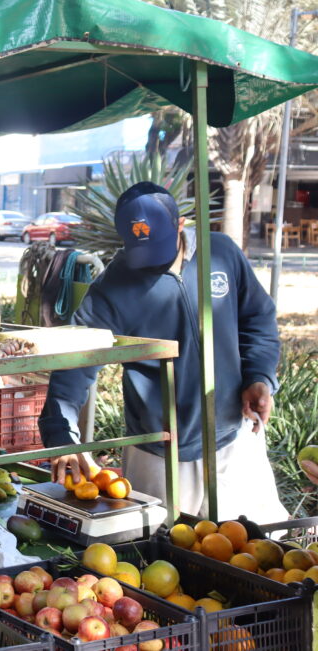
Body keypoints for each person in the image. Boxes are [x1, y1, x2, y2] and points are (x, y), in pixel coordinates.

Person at [38, 181, 285, 523]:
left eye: (159, 247)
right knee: (163, 553)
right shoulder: (113, 285)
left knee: (251, 549)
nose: (150, 263)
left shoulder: (222, 252)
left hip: (234, 437)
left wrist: (259, 376)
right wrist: (62, 436)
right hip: (157, 450)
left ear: (180, 225)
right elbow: (77, 360)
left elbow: (257, 318)